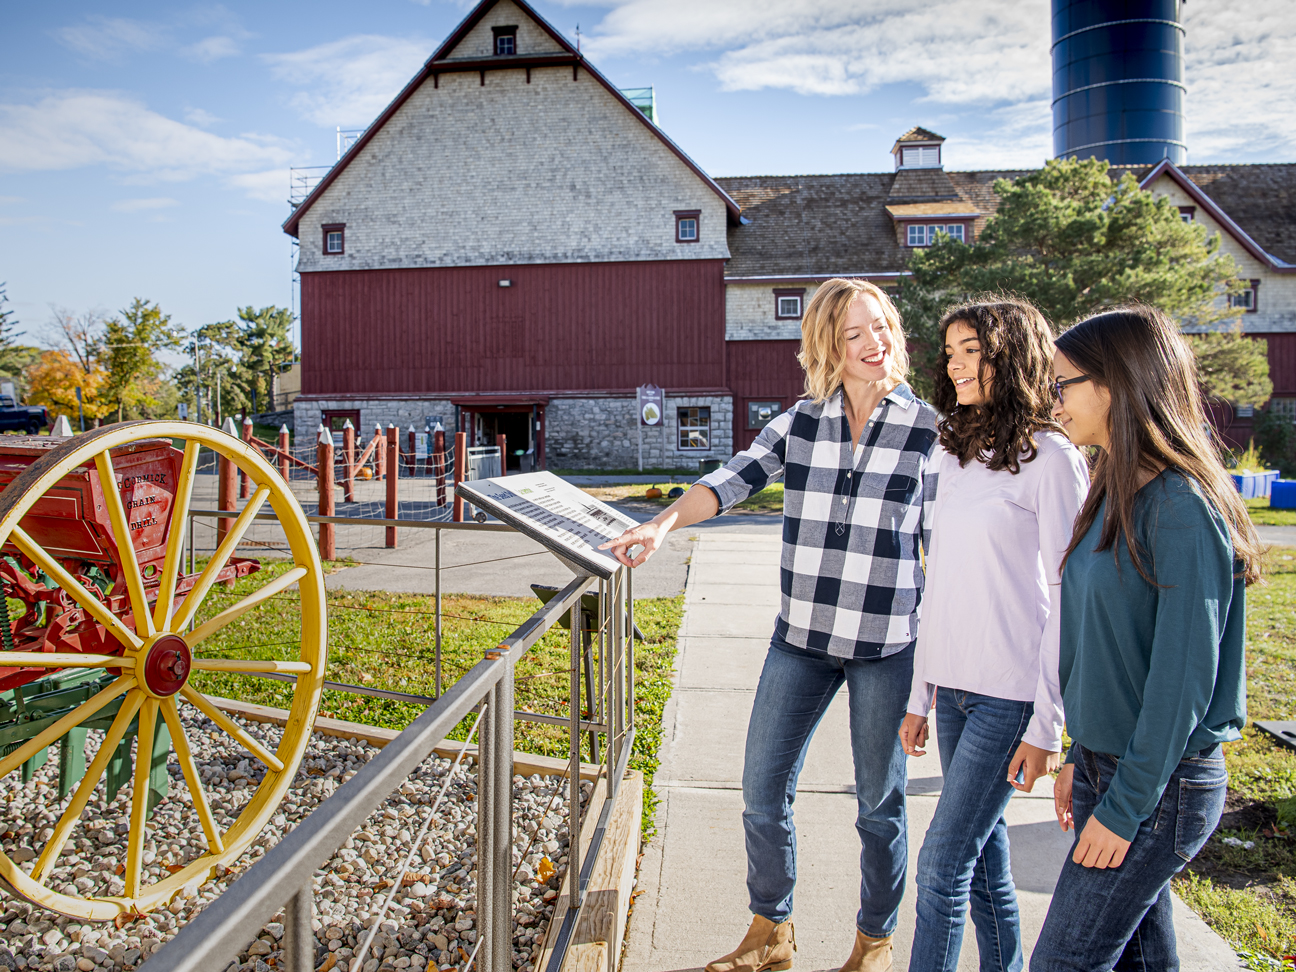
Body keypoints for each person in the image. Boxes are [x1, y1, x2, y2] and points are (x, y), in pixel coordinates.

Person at [600, 278, 940, 972]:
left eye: (881, 327)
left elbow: (948, 552)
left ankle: (874, 941)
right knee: (761, 792)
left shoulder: (931, 431)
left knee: (879, 805)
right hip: (802, 642)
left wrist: (932, 678)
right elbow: (732, 479)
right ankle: (771, 934)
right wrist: (663, 523)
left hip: (885, 649)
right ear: (828, 347)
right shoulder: (802, 420)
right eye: (854, 334)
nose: (874, 343)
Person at [1030, 306, 1263, 970]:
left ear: (1119, 384)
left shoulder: (1184, 510)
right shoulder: (1112, 489)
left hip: (1161, 787)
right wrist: (1082, 754)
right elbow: (1100, 645)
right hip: (1113, 765)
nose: (1054, 401)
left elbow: (1181, 684)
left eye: (1063, 384)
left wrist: (1125, 806)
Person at [898, 300, 1089, 972]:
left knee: (942, 865)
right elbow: (939, 580)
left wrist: (1049, 724)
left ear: (1011, 355)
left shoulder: (1053, 458)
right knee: (981, 867)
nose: (954, 363)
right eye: (949, 351)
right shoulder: (953, 453)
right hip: (951, 687)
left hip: (1009, 696)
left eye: (971, 348)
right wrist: (921, 695)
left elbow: (1071, 593)